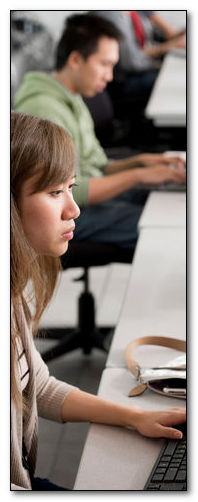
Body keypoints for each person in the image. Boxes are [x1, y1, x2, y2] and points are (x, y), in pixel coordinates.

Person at [11, 110, 186, 490]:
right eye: (55, 192)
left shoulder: (15, 286)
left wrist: (132, 416)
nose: (73, 209)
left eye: (71, 187)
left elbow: (37, 387)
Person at [14, 13, 186, 252]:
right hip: (70, 214)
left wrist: (141, 163)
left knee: (171, 200)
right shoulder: (45, 111)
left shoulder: (70, 94)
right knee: (168, 226)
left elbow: (96, 165)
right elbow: (72, 192)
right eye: (105, 64)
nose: (110, 76)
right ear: (75, 59)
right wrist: (137, 176)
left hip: (82, 201)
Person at [94, 11, 186, 98]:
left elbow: (152, 33)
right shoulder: (114, 17)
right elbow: (132, 63)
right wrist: (156, 64)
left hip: (143, 66)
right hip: (127, 79)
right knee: (175, 80)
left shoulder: (134, 12)